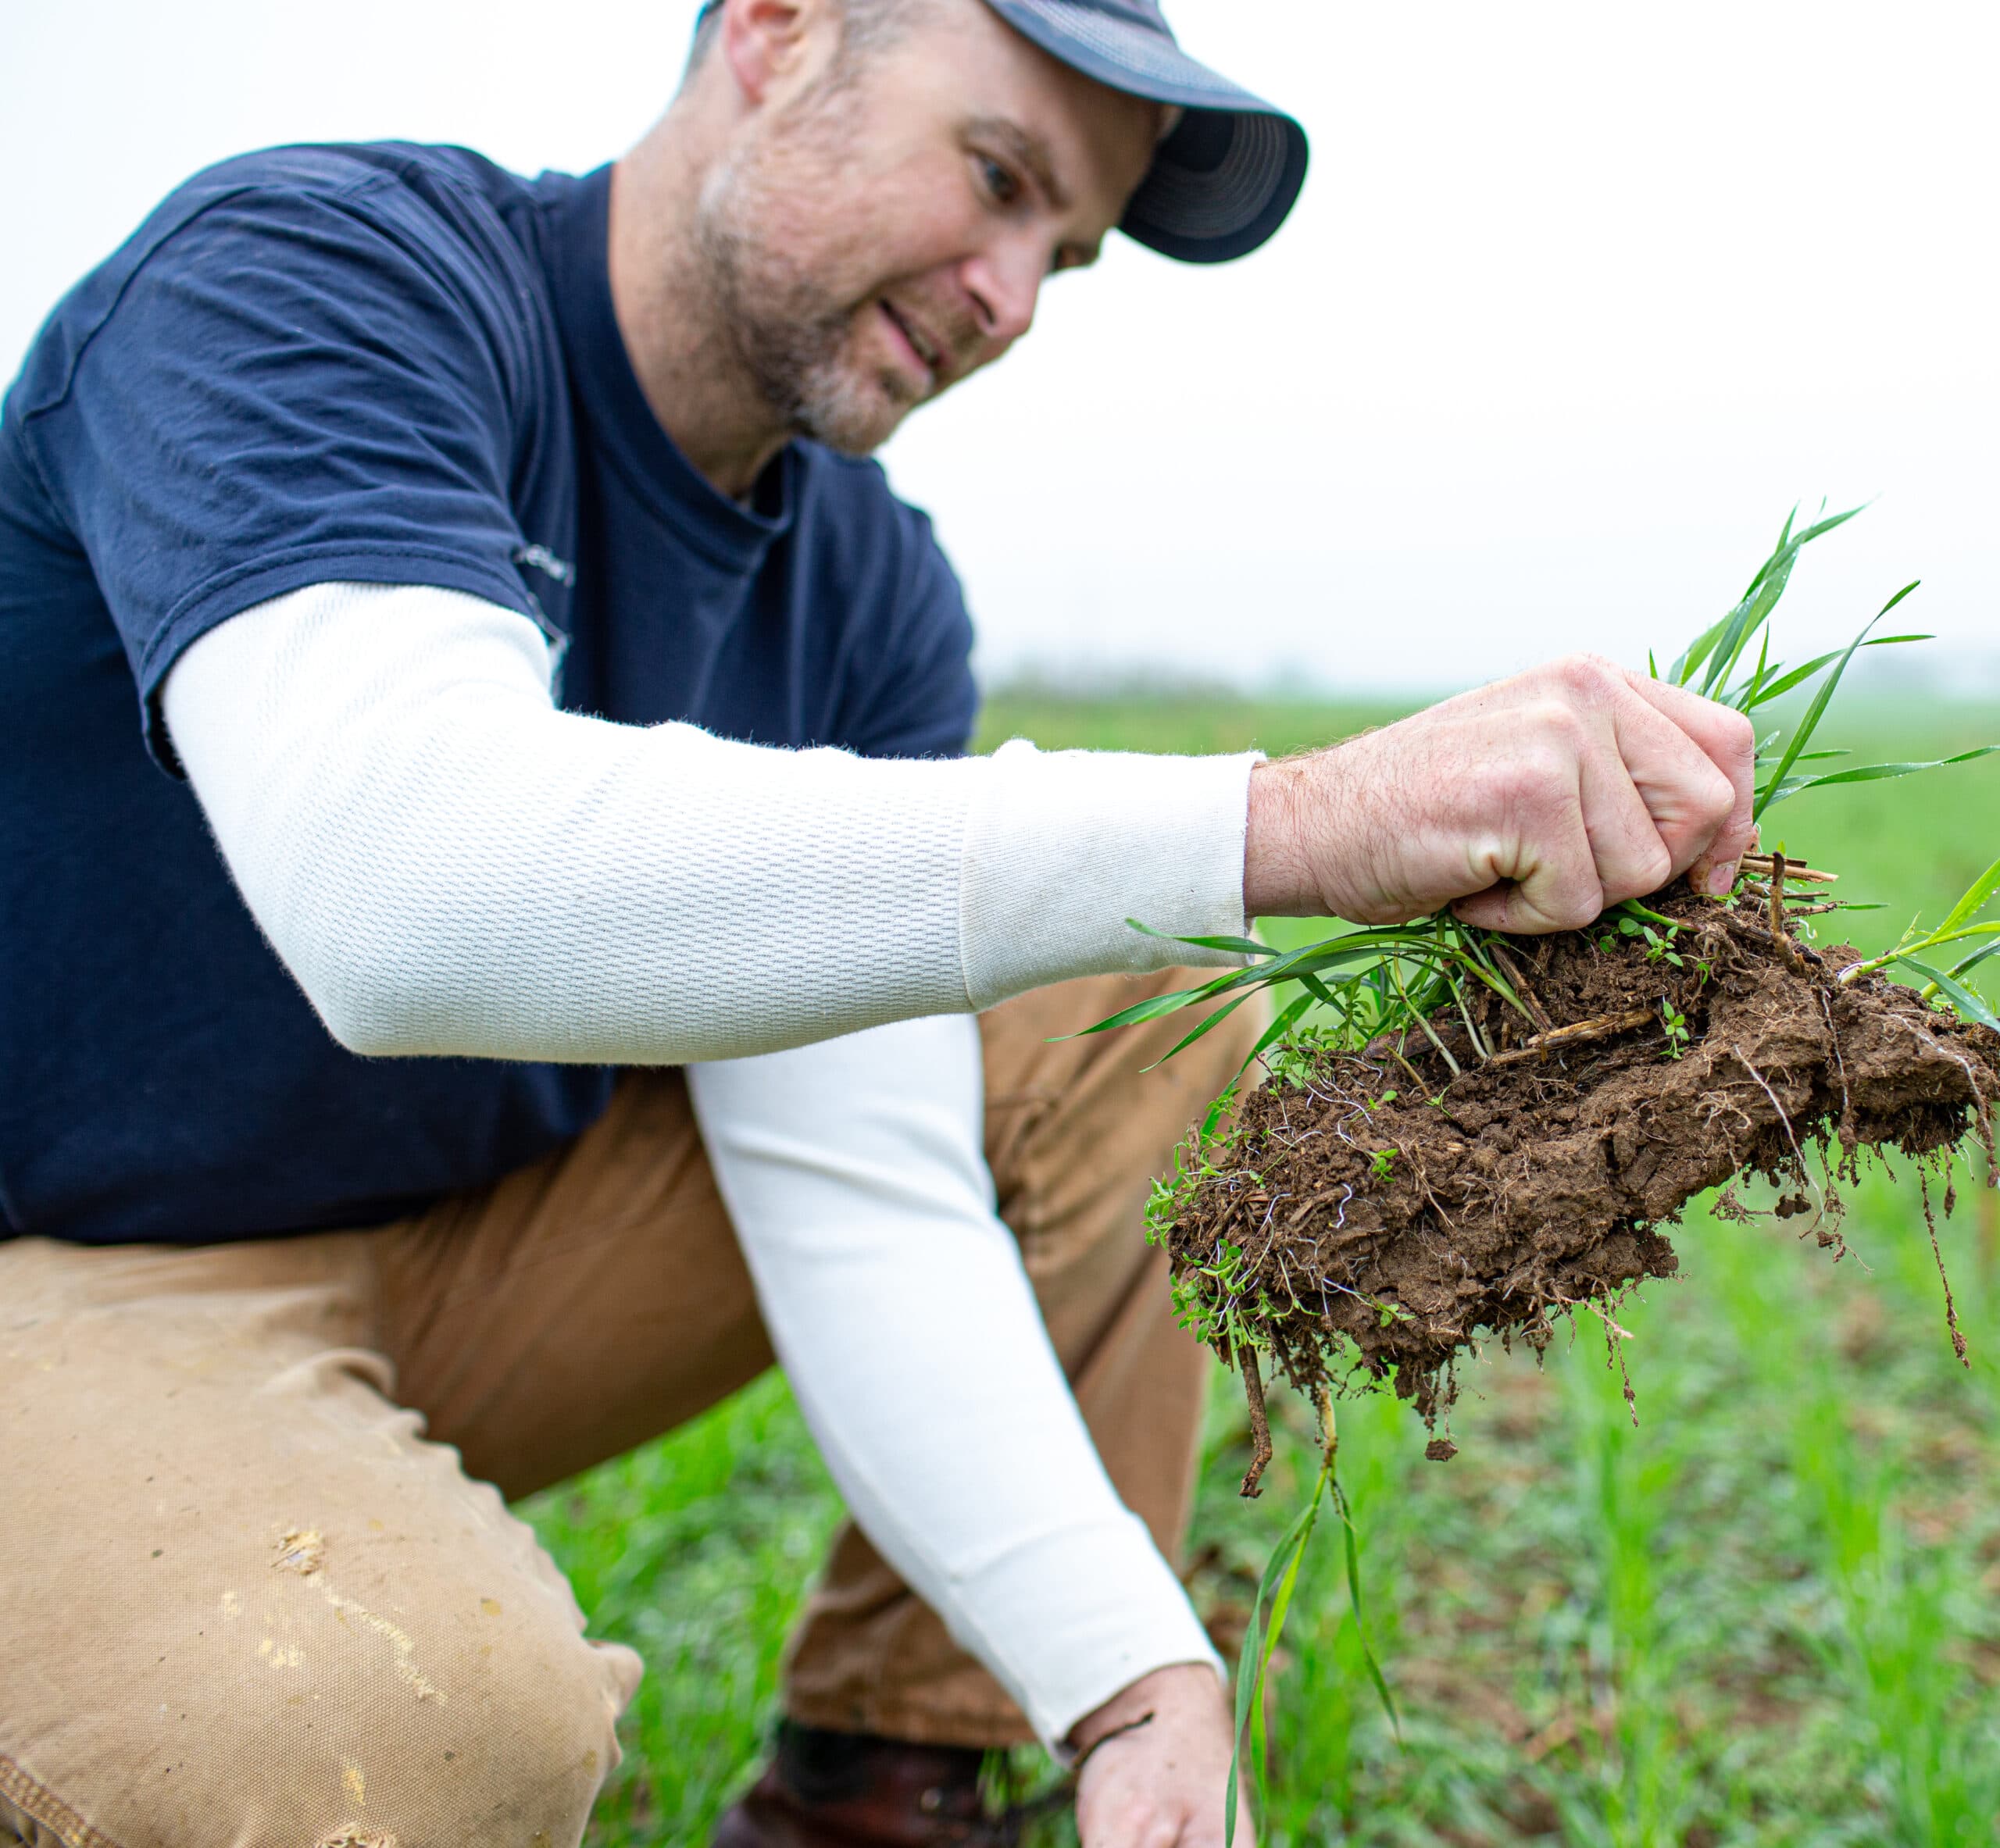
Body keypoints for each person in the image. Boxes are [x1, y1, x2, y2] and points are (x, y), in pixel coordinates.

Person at [0, 0, 1754, 1843]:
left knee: (1101, 1007)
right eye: (996, 177)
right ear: (776, 29)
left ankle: (882, 1781)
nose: (1010, 296)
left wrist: (1124, 1674)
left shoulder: (864, 586)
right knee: (405, 1733)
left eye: (1060, 252)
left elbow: (857, 1173)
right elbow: (399, 895)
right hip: (69, 1263)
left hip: (451, 1247)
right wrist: (1292, 822)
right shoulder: (318, 285)